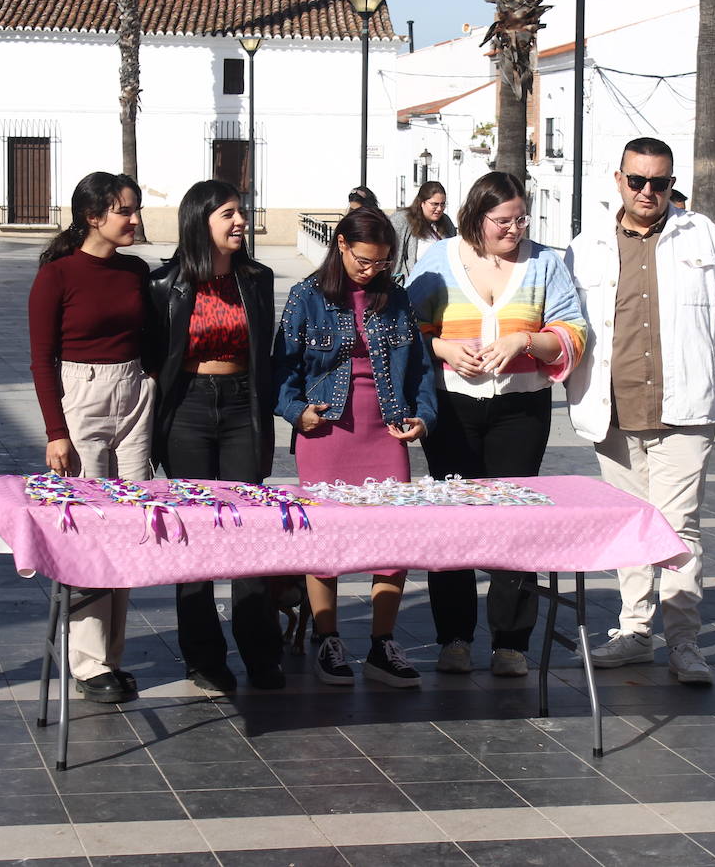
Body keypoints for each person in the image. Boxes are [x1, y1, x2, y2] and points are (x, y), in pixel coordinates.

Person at [565, 136, 715, 686]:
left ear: (673, 184)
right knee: (629, 524)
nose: (649, 191)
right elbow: (566, 320)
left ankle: (685, 642)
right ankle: (635, 630)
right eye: (638, 180)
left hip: (686, 407)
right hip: (612, 408)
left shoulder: (703, 235)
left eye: (660, 183)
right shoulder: (588, 244)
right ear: (618, 179)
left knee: (677, 526)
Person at [408, 171, 586, 678]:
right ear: (476, 218)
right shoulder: (440, 259)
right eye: (503, 221)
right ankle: (455, 638)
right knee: (452, 517)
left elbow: (573, 329)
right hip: (453, 407)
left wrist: (525, 342)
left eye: (521, 219)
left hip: (520, 409)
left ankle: (511, 642)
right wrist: (443, 348)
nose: (514, 230)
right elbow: (406, 327)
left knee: (514, 518)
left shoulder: (546, 262)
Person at [273, 206, 438, 688]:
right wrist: (294, 410)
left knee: (392, 536)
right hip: (325, 431)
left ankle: (382, 643)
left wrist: (423, 419)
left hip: (384, 429)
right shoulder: (307, 296)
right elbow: (282, 366)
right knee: (324, 535)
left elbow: (421, 369)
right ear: (341, 244)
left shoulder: (397, 298)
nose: (373, 271)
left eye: (383, 263)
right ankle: (328, 638)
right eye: (365, 261)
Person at [148, 180, 284, 692]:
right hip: (187, 408)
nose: (240, 221)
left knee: (248, 528)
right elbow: (154, 356)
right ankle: (204, 657)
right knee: (195, 534)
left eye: (241, 212)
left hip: (241, 406)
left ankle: (261, 653)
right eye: (228, 213)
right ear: (200, 220)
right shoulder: (167, 284)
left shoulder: (257, 278)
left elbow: (267, 355)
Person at [28, 171, 153, 705]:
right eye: (126, 210)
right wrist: (56, 432)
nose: (136, 220)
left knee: (130, 524)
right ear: (93, 216)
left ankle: (110, 657)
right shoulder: (57, 276)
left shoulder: (136, 271)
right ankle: (86, 661)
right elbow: (40, 360)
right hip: (83, 395)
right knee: (92, 528)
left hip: (135, 392)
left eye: (136, 209)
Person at [390, 180, 456, 284]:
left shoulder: (446, 222)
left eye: (443, 204)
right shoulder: (401, 220)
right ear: (422, 203)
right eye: (434, 204)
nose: (439, 209)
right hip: (411, 285)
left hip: (441, 284)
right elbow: (392, 255)